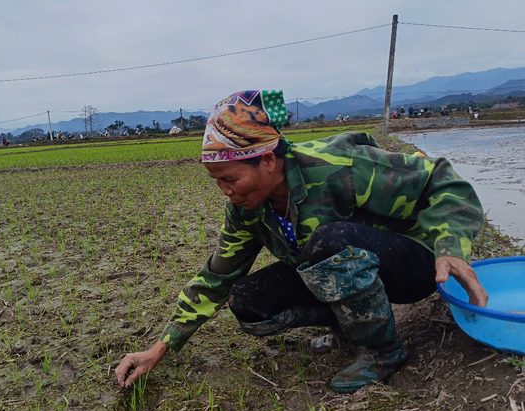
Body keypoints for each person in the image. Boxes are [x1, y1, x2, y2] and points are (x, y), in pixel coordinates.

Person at [115, 89, 488, 393]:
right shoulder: (247, 209)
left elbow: (442, 180)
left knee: (329, 241)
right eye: (217, 181)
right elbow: (217, 278)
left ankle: (383, 352)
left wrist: (450, 248)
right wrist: (159, 349)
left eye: (230, 178)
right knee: (247, 301)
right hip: (347, 264)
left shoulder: (338, 168)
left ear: (267, 161)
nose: (225, 191)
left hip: (415, 263)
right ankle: (349, 325)